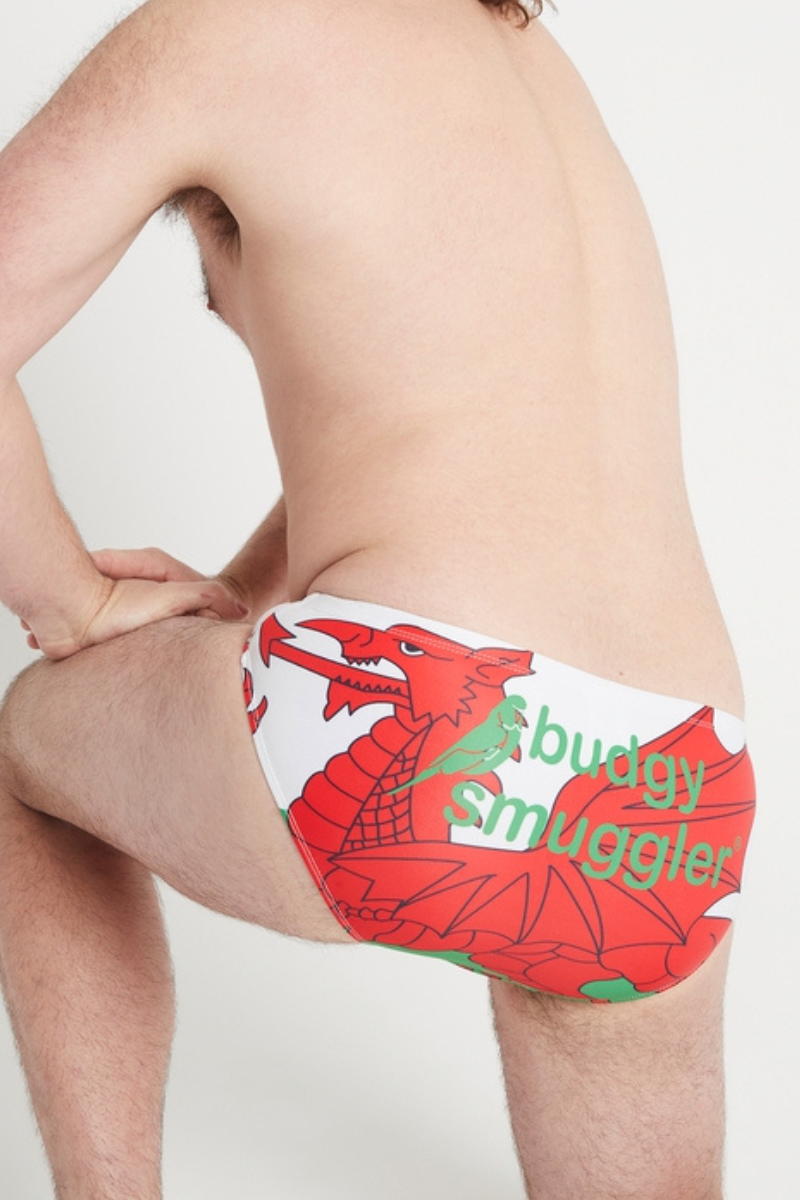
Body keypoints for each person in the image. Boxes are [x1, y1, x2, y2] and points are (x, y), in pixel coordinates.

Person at [0, 0, 757, 1197]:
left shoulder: (221, 26)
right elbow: (461, 437)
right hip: (674, 780)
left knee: (30, 746)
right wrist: (237, 593)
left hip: (431, 716)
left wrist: (74, 604)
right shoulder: (529, 58)